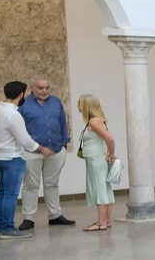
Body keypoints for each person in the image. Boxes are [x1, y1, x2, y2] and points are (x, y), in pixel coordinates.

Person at [17, 75, 71, 228]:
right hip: (31, 152)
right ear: (32, 88)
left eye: (47, 87)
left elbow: (63, 122)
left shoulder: (56, 102)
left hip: (55, 150)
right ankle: (29, 218)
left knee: (52, 184)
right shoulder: (24, 104)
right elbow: (18, 128)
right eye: (40, 88)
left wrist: (64, 143)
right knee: (30, 186)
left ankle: (55, 215)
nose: (44, 91)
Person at [0, 81, 49, 239]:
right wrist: (41, 148)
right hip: (12, 158)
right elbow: (25, 140)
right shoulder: (14, 115)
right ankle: (8, 228)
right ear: (21, 95)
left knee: (2, 192)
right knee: (10, 194)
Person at [76, 94, 117, 231]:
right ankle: (106, 220)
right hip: (98, 158)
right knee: (105, 188)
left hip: (96, 160)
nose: (78, 106)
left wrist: (111, 154)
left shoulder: (93, 121)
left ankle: (101, 222)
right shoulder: (98, 120)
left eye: (80, 103)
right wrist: (110, 153)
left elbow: (110, 139)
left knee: (99, 188)